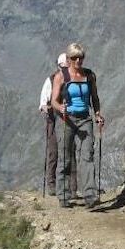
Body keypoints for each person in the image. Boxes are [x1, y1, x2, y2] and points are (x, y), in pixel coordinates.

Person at [51, 43, 104, 209]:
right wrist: (60, 108)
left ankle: (90, 195)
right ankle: (64, 196)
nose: (78, 60)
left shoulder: (89, 76)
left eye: (81, 57)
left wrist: (97, 114)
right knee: (65, 157)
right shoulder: (61, 76)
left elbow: (94, 97)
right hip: (66, 120)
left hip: (85, 120)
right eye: (74, 58)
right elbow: (54, 100)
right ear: (68, 59)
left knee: (87, 156)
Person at [38, 53, 77, 196]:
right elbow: (43, 99)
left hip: (69, 119)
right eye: (66, 65)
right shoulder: (51, 79)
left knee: (70, 152)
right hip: (54, 119)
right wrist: (45, 107)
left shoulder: (74, 79)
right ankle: (52, 185)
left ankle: (72, 188)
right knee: (53, 152)